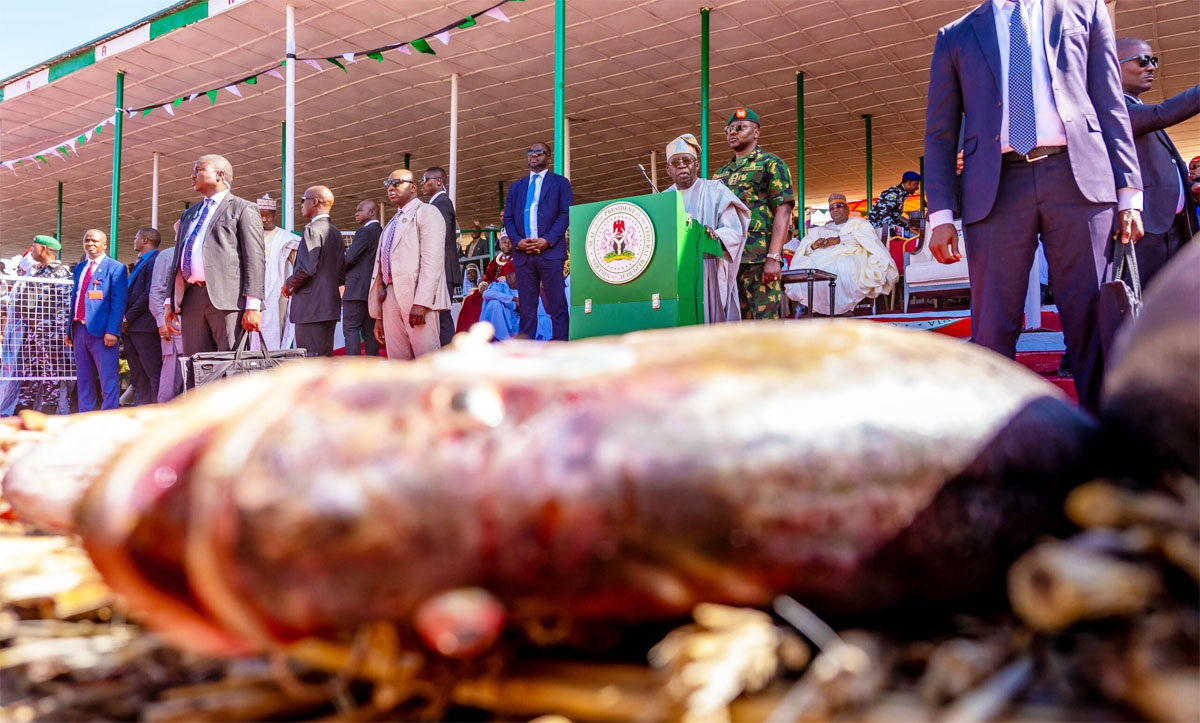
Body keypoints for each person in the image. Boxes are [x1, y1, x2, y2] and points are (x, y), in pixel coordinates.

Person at [923, 0, 1143, 411]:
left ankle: (1103, 439)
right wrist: (941, 214)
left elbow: (1111, 104)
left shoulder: (1086, 10)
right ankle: (995, 440)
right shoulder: (956, 35)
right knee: (993, 324)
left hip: (1078, 180)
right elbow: (940, 131)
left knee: (1091, 319)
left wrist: (1129, 191)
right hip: (996, 186)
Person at [165, 154, 266, 357]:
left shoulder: (243, 209)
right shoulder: (189, 214)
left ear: (219, 175)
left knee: (231, 366)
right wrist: (169, 301)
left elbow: (255, 259)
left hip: (228, 300)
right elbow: (177, 259)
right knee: (196, 366)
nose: (192, 175)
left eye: (198, 170)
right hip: (192, 299)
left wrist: (253, 305)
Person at [1116, 38, 1199, 287]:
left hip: (1175, 228)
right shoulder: (1109, 108)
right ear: (1111, 67)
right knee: (1138, 307)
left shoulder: (1140, 109)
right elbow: (1161, 114)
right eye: (1142, 61)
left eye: (1154, 60)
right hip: (1145, 229)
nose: (1151, 67)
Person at [713, 107, 795, 320]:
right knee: (733, 324)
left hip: (758, 259)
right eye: (728, 129)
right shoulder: (719, 174)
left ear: (756, 132)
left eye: (739, 128)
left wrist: (774, 257)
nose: (732, 132)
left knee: (765, 324)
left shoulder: (771, 164)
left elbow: (783, 210)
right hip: (728, 260)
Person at [662, 132, 749, 323]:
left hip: (708, 271)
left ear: (697, 165)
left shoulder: (715, 190)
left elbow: (733, 231)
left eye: (687, 160)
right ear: (668, 170)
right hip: (673, 277)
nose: (682, 165)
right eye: (676, 162)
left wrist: (715, 236)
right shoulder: (663, 199)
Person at [370, 168, 449, 360]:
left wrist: (421, 303)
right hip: (389, 296)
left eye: (396, 183)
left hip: (416, 297)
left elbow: (432, 261)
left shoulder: (427, 212)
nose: (390, 188)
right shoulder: (391, 222)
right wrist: (380, 316)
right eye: (387, 184)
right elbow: (381, 267)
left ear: (413, 187)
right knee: (398, 362)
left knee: (427, 360)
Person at [503, 141, 572, 340]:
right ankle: (526, 353)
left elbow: (565, 213)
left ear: (548, 157)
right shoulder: (517, 187)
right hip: (523, 255)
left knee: (557, 304)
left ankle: (560, 348)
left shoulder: (560, 183)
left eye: (539, 152)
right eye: (530, 152)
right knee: (527, 308)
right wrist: (517, 242)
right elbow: (508, 217)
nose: (533, 155)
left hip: (550, 253)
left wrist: (547, 240)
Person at [786, 193, 898, 316]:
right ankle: (817, 309)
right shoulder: (822, 229)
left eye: (839, 206)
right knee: (806, 265)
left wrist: (839, 239)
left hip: (851, 253)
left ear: (847, 208)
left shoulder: (858, 223)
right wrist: (814, 245)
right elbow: (805, 247)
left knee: (845, 264)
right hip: (823, 255)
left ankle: (845, 308)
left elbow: (868, 239)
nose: (835, 209)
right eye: (832, 208)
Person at [66, 229, 127, 412]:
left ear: (104, 245)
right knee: (84, 377)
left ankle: (109, 415)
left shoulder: (116, 268)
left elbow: (118, 302)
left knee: (108, 377)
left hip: (102, 332)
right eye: (87, 241)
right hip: (79, 330)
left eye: (95, 241)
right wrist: (69, 331)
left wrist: (112, 331)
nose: (90, 244)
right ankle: (86, 415)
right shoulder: (80, 268)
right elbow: (75, 299)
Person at [284, 186, 343, 358]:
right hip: (329, 307)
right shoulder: (336, 232)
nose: (301, 205)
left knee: (311, 362)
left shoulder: (311, 229)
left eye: (303, 200)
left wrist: (289, 283)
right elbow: (341, 272)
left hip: (310, 309)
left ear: (315, 202)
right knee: (324, 361)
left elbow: (307, 269)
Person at [14, 235, 70, 414]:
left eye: (34, 246)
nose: (32, 250)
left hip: (49, 336)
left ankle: (48, 411)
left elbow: (64, 307)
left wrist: (57, 337)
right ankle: (24, 407)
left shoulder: (60, 273)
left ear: (44, 249)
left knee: (50, 375)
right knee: (29, 373)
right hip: (32, 334)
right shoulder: (37, 273)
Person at [422, 166, 464, 346]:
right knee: (439, 316)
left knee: (442, 316)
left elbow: (442, 235)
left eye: (425, 180)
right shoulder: (435, 203)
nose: (422, 184)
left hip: (442, 270)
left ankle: (448, 355)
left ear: (439, 182)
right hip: (439, 269)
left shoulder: (442, 203)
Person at [254, 193, 301, 352]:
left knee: (276, 328)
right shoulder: (250, 235)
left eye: (268, 216)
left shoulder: (286, 238)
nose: (264, 219)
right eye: (260, 216)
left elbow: (299, 265)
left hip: (277, 292)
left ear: (274, 215)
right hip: (252, 292)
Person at [122, 227, 162, 405]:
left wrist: (128, 317)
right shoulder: (141, 262)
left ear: (145, 240)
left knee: (152, 373)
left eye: (136, 237)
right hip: (132, 329)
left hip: (145, 328)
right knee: (138, 376)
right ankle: (143, 408)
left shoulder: (155, 261)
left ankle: (155, 411)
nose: (134, 240)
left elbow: (148, 294)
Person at [343, 199, 382, 357]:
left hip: (356, 289)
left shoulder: (364, 232)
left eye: (360, 210)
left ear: (372, 212)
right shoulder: (381, 231)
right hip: (372, 290)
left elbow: (350, 258)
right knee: (369, 332)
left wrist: (341, 272)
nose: (355, 213)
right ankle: (372, 367)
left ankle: (353, 369)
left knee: (351, 329)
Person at [149, 239, 183, 403]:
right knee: (171, 376)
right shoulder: (168, 255)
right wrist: (161, 321)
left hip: (199, 325)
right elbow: (157, 291)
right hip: (175, 325)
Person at [457, 235, 514, 334]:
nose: (507, 244)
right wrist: (483, 285)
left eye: (510, 241)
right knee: (470, 301)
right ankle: (469, 335)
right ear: (500, 244)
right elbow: (486, 277)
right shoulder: (494, 262)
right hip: (490, 290)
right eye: (504, 242)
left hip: (507, 291)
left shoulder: (517, 259)